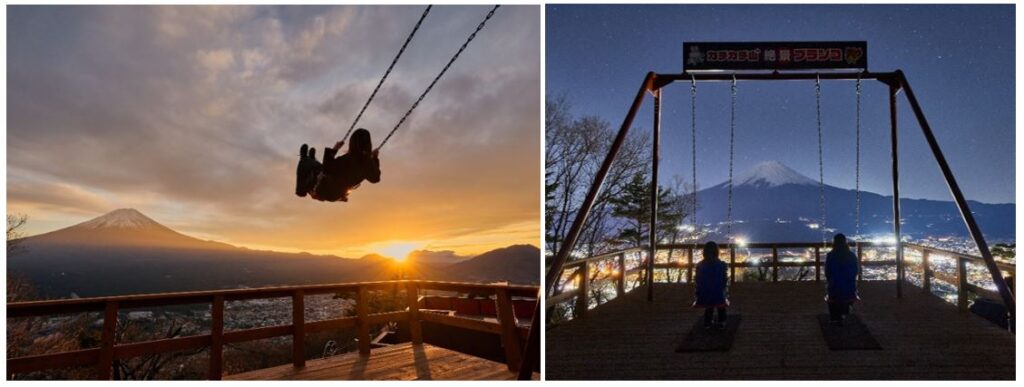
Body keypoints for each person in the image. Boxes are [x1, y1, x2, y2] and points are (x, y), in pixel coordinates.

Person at [295, 128, 381, 202]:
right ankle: (311, 159)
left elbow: (327, 169)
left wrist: (335, 149)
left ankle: (304, 161)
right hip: (336, 194)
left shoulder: (348, 159)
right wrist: (374, 158)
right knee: (316, 168)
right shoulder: (368, 164)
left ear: (352, 143)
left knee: (305, 164)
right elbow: (375, 178)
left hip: (325, 189)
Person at [824, 233, 860, 325]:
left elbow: (827, 271)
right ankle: (844, 312)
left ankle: (835, 317)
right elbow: (855, 270)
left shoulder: (831, 255)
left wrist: (830, 280)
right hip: (849, 285)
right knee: (848, 297)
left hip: (834, 285)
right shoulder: (851, 255)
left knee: (832, 297)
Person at [693, 241, 729, 329]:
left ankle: (707, 322)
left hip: (704, 294)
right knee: (720, 302)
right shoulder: (722, 265)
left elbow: (697, 280)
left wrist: (698, 292)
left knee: (709, 304)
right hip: (718, 294)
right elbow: (725, 280)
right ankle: (722, 321)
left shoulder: (700, 266)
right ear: (717, 252)